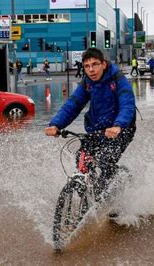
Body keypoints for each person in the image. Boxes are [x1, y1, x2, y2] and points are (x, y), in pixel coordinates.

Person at [45, 48, 136, 202]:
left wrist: (119, 125)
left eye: (95, 64)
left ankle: (111, 197)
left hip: (121, 128)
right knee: (82, 158)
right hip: (97, 129)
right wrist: (56, 124)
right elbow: (73, 104)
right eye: (87, 66)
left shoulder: (117, 79)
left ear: (104, 64)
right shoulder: (87, 83)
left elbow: (127, 103)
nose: (91, 69)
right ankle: (88, 191)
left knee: (105, 161)